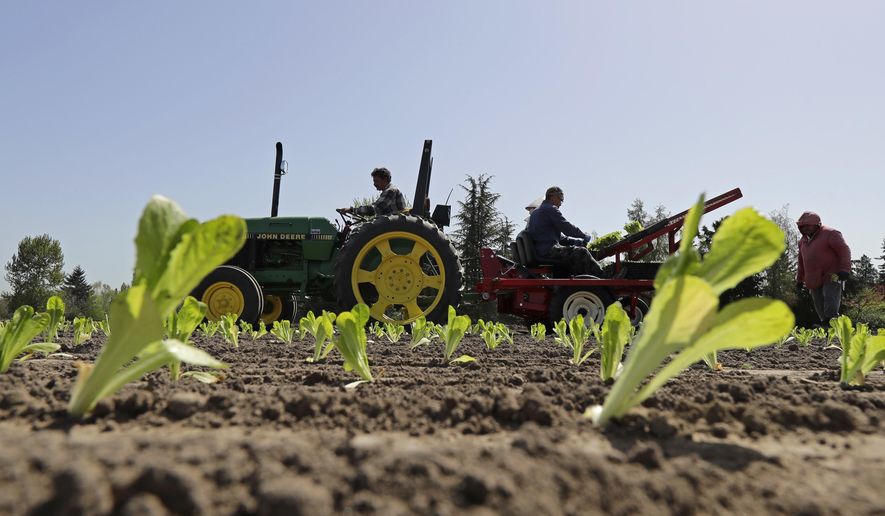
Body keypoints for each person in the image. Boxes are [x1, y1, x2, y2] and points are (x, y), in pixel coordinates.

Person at [526, 186, 605, 276]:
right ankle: (603, 277)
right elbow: (567, 228)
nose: (561, 203)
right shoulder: (550, 209)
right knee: (582, 252)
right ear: (553, 197)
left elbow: (561, 238)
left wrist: (578, 242)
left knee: (573, 254)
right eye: (561, 199)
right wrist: (583, 235)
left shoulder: (536, 212)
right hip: (548, 251)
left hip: (540, 250)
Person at [796, 211, 851, 324]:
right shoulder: (802, 242)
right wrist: (799, 279)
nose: (806, 228)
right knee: (818, 303)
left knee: (830, 299)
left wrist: (845, 269)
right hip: (813, 277)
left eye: (808, 225)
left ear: (817, 225)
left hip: (832, 274)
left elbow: (844, 250)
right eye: (803, 226)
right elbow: (801, 261)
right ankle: (826, 325)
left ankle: (833, 323)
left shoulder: (831, 234)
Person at [338, 167, 406, 217]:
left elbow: (374, 209)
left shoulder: (390, 191)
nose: (374, 184)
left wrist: (351, 210)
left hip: (392, 227)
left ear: (385, 179)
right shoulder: (388, 191)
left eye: (376, 181)